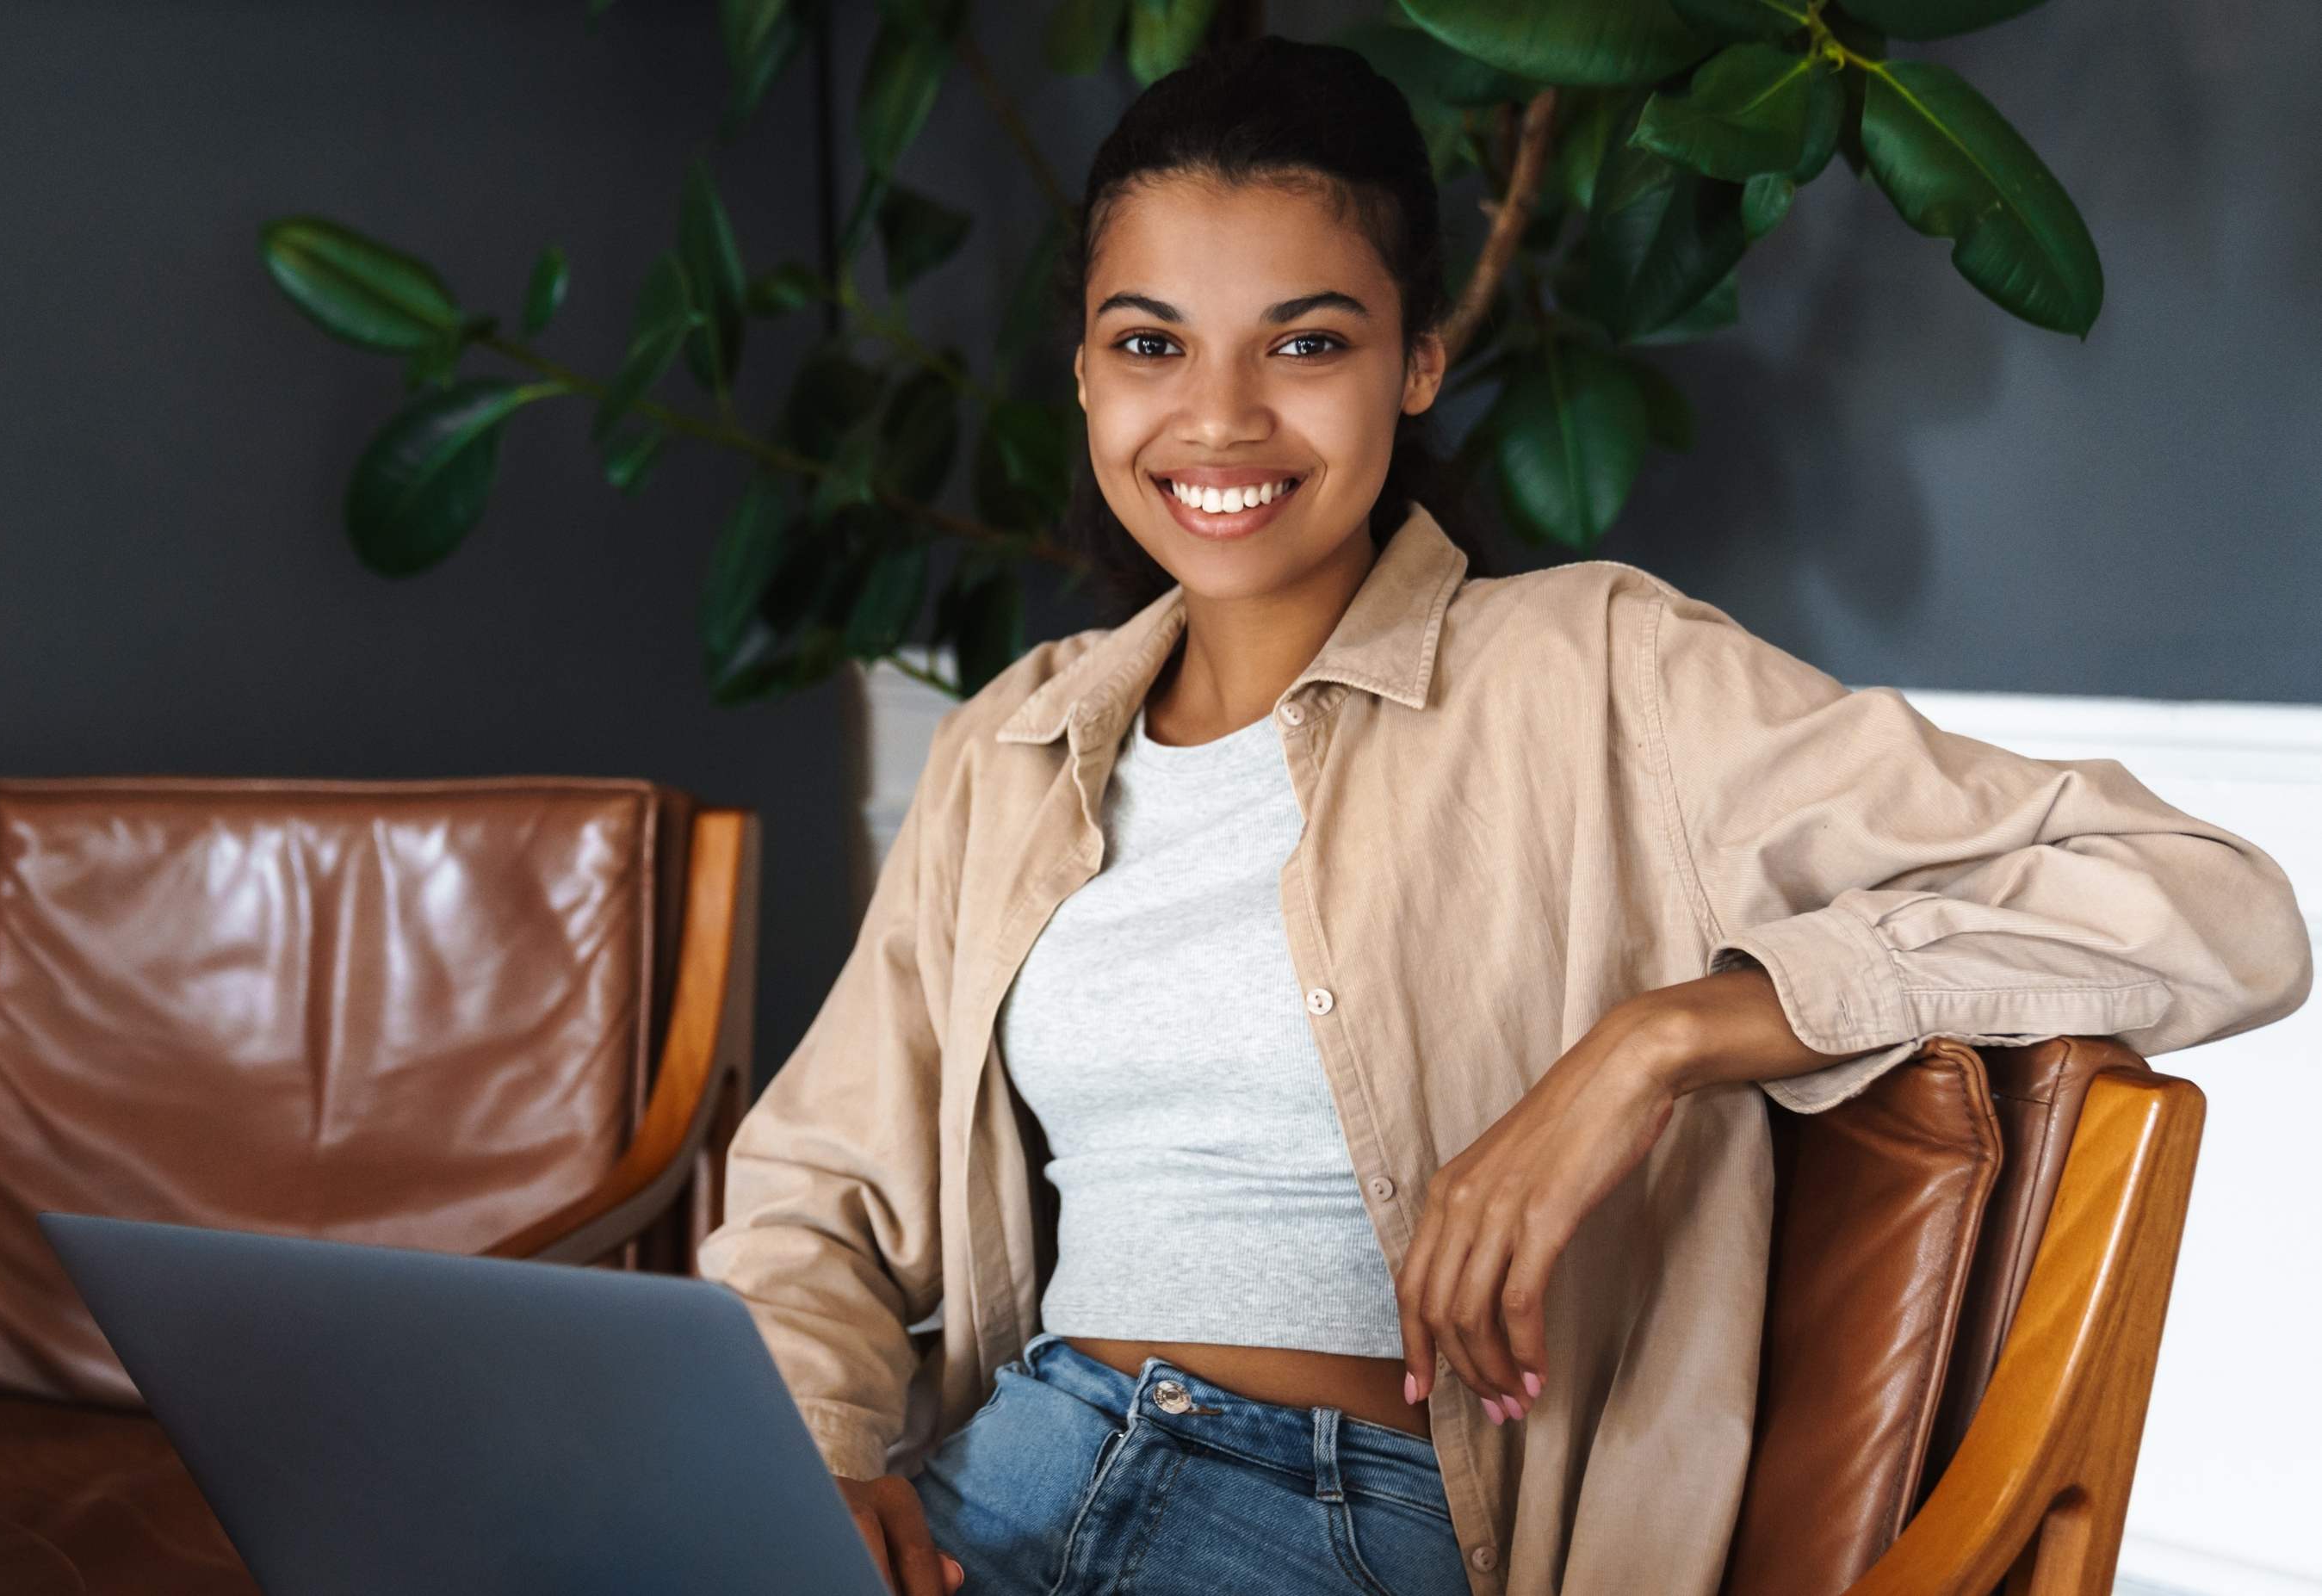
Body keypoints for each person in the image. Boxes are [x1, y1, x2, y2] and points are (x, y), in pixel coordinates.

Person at [694, 31, 2315, 1596]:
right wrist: (825, 1455)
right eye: (1150, 342)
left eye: (1307, 341)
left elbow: (2211, 898)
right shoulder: (1017, 741)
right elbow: (815, 1191)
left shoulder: (1599, 671)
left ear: (1418, 363)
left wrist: (1660, 1040)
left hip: (1342, 1515)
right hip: (1005, 1475)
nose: (1218, 417)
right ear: (1085, 375)